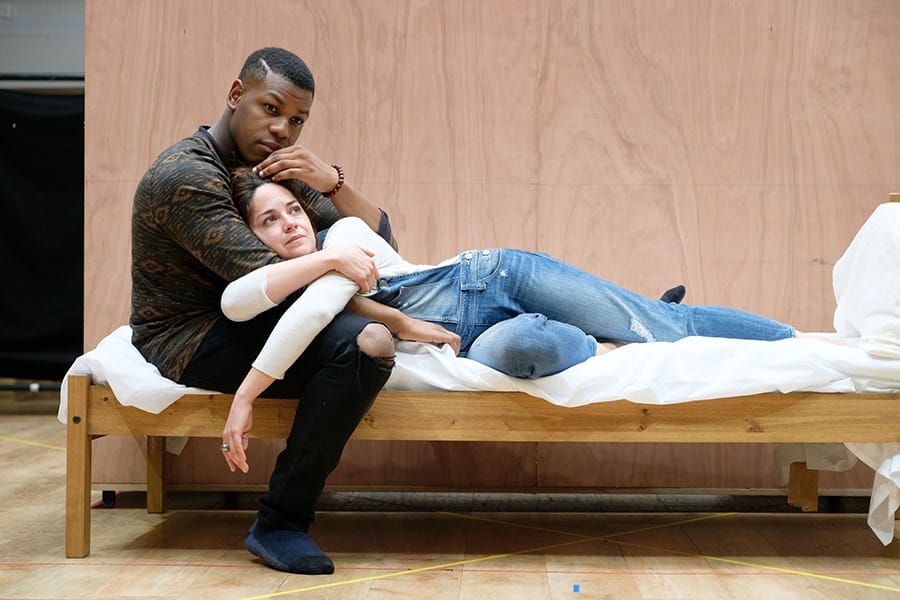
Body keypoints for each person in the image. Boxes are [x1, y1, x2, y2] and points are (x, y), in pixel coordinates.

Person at [218, 168, 813, 455]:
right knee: (529, 351)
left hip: (498, 276)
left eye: (293, 209)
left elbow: (311, 313)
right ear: (253, 239)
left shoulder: (343, 237)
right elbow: (236, 303)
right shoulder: (297, 282)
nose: (289, 224)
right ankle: (599, 338)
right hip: (477, 338)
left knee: (663, 329)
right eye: (269, 221)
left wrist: (245, 398)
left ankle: (801, 339)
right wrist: (402, 324)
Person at [129, 47, 435, 576]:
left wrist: (330, 181)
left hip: (254, 311)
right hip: (190, 335)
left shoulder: (270, 169)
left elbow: (380, 240)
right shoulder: (185, 175)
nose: (282, 130)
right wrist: (397, 321)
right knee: (369, 342)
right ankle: (280, 522)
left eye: (296, 120)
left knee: (369, 333)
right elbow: (274, 283)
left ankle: (280, 519)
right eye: (271, 109)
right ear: (234, 95)